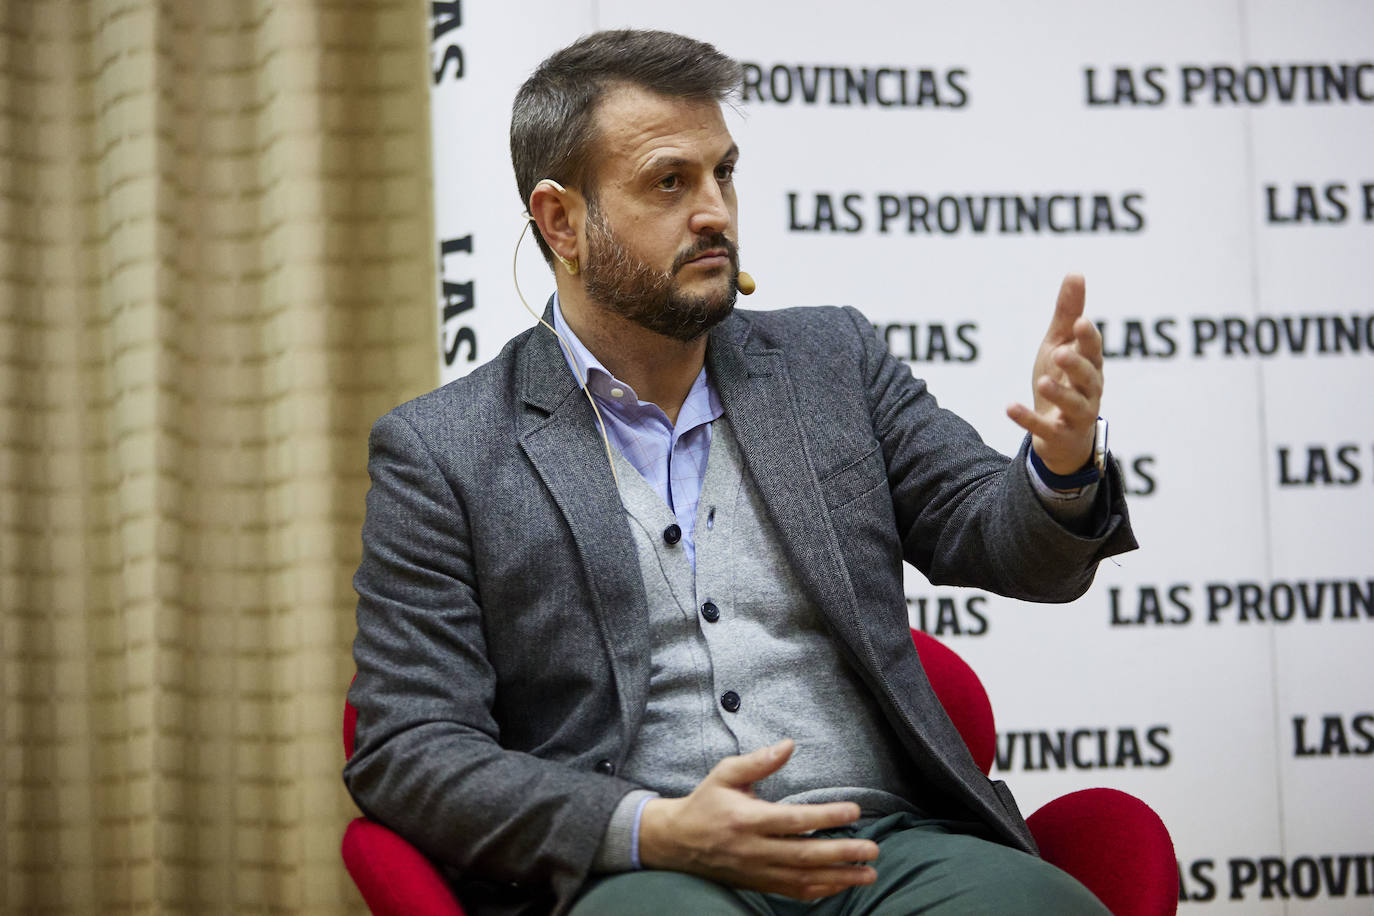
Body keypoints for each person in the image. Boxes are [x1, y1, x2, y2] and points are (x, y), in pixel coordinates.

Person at [345, 28, 1137, 916]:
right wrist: (648, 827)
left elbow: (999, 539)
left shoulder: (830, 362)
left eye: (724, 173)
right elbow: (408, 748)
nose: (716, 209)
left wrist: (1062, 468)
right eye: (670, 182)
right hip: (647, 872)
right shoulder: (444, 451)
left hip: (881, 850)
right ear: (561, 220)